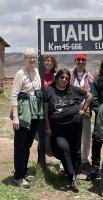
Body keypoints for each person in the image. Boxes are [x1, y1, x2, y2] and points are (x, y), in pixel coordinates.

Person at [43, 68, 92, 191]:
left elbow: (89, 95)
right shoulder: (49, 90)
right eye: (61, 77)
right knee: (63, 148)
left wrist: (84, 109)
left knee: (75, 150)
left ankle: (73, 176)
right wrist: (48, 128)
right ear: (57, 78)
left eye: (66, 78)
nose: (64, 80)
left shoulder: (73, 89)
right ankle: (71, 176)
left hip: (75, 125)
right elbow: (46, 111)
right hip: (58, 128)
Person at [11, 48, 43, 188]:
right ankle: (18, 176)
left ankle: (23, 172)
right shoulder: (20, 73)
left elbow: (37, 90)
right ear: (25, 59)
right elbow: (14, 96)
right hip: (23, 112)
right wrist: (16, 117)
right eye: (29, 57)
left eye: (34, 57)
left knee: (28, 144)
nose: (32, 60)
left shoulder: (36, 72)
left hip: (35, 111)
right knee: (20, 145)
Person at [70, 54, 94, 172]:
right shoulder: (68, 74)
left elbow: (92, 93)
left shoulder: (90, 76)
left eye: (83, 60)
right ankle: (66, 163)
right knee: (70, 135)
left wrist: (88, 107)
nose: (80, 62)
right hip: (70, 109)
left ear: (86, 62)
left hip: (85, 108)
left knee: (86, 136)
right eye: (78, 60)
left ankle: (84, 160)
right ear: (75, 61)